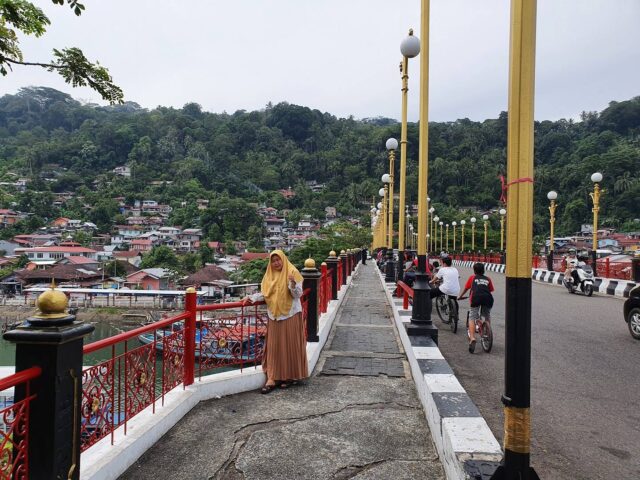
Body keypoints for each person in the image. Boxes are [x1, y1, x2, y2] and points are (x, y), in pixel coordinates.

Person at [242, 250, 308, 394]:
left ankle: (288, 377)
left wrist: (292, 282)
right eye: (273, 260)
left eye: (278, 260)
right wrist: (251, 298)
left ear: (283, 259)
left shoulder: (292, 271)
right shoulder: (268, 276)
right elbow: (266, 295)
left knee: (289, 346)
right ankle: (271, 378)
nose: (276, 263)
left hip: (290, 314)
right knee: (274, 348)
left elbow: (298, 295)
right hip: (274, 315)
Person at [458, 262, 495, 353]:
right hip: (488, 298)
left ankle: (472, 338)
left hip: (476, 298)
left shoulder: (472, 278)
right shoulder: (488, 279)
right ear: (483, 270)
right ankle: (487, 330)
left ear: (474, 270)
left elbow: (466, 289)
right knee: (486, 315)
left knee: (472, 317)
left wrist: (460, 296)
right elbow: (490, 290)